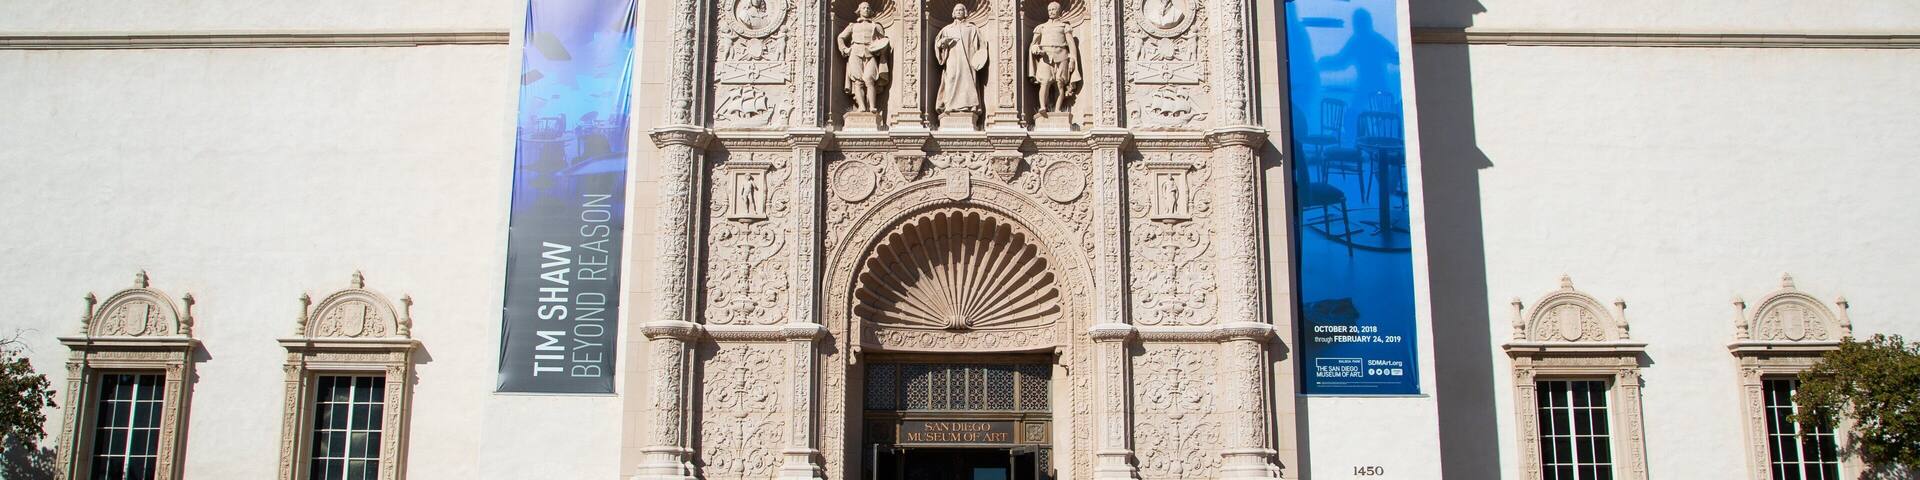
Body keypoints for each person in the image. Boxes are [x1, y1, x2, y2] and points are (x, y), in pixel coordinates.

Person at [933, 3, 990, 113]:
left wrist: (979, 58)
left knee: (968, 82)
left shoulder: (972, 28)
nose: (959, 11)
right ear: (953, 13)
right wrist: (942, 43)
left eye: (961, 10)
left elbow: (982, 46)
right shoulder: (946, 29)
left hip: (968, 60)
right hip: (952, 59)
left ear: (965, 13)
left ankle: (970, 106)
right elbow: (938, 44)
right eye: (957, 10)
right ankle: (949, 105)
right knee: (950, 79)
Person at [1027, 1, 1081, 113]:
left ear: (1059, 11)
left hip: (1062, 57)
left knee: (1059, 84)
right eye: (1049, 10)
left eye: (1053, 9)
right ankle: (1042, 107)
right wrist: (1035, 49)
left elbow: (1071, 45)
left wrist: (1073, 59)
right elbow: (1033, 44)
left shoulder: (1065, 27)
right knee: (1045, 81)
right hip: (1046, 57)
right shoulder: (1041, 27)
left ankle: (1057, 110)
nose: (1051, 12)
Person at [837, 2, 891, 112]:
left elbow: (884, 41)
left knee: (869, 79)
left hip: (870, 54)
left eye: (868, 8)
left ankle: (872, 106)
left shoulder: (875, 26)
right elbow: (841, 38)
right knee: (858, 81)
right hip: (855, 53)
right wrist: (845, 49)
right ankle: (861, 106)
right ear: (859, 11)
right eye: (863, 8)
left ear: (870, 11)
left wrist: (881, 49)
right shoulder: (853, 26)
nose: (866, 9)